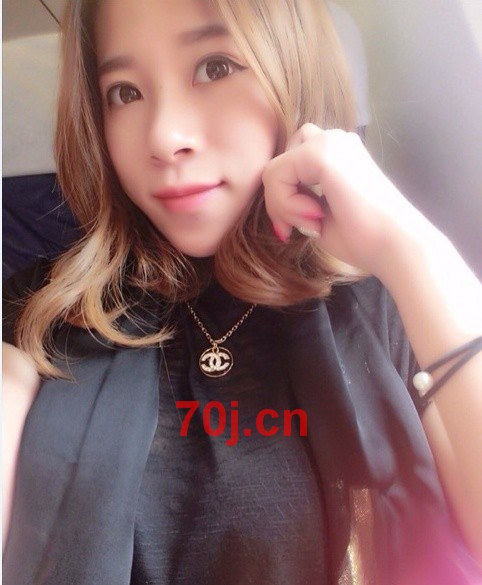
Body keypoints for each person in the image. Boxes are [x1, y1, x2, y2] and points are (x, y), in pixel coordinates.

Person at [3, 1, 482, 583]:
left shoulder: (391, 304)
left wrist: (407, 248)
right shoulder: (39, 314)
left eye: (215, 67)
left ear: (292, 69)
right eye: (125, 93)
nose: (164, 137)